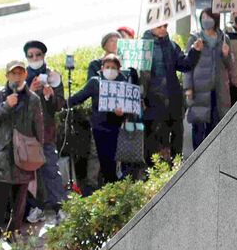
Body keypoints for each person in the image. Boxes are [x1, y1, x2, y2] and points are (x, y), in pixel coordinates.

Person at [0, 60, 44, 235]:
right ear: (7, 76)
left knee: (19, 201)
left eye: (20, 73)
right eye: (13, 73)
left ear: (25, 75)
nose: (17, 77)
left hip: (24, 155)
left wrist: (37, 154)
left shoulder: (33, 99)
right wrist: (6, 105)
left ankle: (13, 233)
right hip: (0, 156)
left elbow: (38, 129)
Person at [68, 53, 133, 187]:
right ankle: (107, 188)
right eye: (107, 67)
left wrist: (122, 112)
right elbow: (79, 97)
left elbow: (130, 106)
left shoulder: (123, 84)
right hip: (99, 128)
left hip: (116, 129)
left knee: (115, 162)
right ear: (102, 68)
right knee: (103, 161)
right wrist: (61, 103)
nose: (110, 70)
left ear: (119, 70)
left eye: (113, 68)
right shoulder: (95, 83)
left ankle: (114, 188)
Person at [21, 40, 67, 224]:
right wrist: (30, 91)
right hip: (27, 134)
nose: (34, 58)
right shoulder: (21, 76)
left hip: (46, 132)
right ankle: (36, 206)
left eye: (37, 55)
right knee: (30, 173)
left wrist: (50, 95)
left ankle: (60, 208)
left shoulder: (53, 75)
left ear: (44, 55)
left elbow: (60, 105)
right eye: (30, 56)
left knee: (50, 169)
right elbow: (16, 105)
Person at [140, 23, 192, 163]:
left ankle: (177, 169)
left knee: (176, 138)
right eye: (159, 26)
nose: (163, 29)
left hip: (174, 100)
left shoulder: (171, 45)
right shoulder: (142, 47)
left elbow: (184, 65)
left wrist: (195, 52)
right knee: (153, 141)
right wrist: (140, 98)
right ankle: (153, 175)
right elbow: (138, 76)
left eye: (165, 26)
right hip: (153, 103)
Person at [184, 8, 233, 149]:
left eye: (209, 17)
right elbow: (188, 64)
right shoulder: (195, 39)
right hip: (199, 89)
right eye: (203, 17)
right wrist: (188, 88)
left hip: (218, 89)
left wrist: (226, 54)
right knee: (198, 127)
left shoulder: (224, 39)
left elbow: (229, 65)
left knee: (215, 126)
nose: (206, 20)